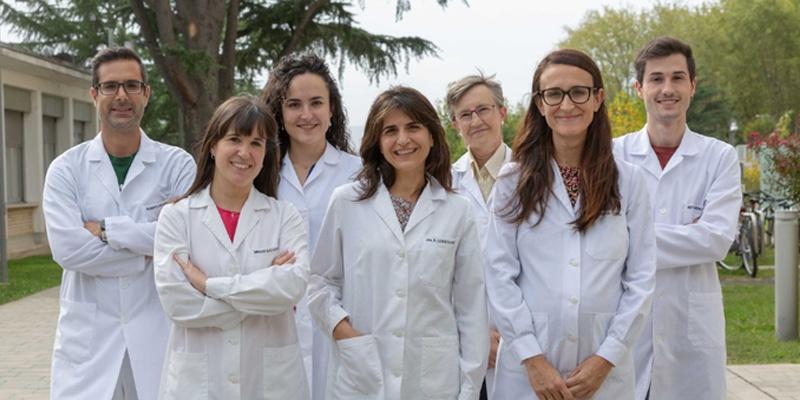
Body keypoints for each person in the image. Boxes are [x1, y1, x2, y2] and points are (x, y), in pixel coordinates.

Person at [485, 49, 656, 400]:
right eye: (554, 94)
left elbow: (641, 279)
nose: (567, 105)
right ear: (540, 104)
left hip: (604, 372)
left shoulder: (630, 182)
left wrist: (606, 358)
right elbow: (497, 274)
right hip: (528, 373)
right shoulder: (512, 182)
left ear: (597, 98)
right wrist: (532, 359)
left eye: (578, 92)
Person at [308, 86, 489, 400]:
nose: (403, 140)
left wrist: (470, 390)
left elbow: (471, 310)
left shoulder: (458, 210)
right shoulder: (347, 201)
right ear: (377, 142)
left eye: (413, 127)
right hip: (362, 374)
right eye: (390, 130)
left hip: (433, 381)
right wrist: (343, 330)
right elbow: (319, 280)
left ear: (432, 136)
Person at [42, 47, 195, 400]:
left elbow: (187, 241)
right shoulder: (66, 170)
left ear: (147, 93)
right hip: (91, 341)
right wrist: (150, 250)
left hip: (157, 332)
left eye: (131, 85)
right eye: (110, 86)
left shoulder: (178, 166)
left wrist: (107, 231)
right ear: (94, 94)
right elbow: (68, 250)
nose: (121, 96)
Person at [153, 96, 310, 399]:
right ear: (213, 146)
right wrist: (261, 293)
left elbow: (291, 287)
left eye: (256, 143)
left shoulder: (284, 216)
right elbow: (177, 304)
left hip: (269, 380)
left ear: (266, 154)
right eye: (234, 139)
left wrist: (206, 284)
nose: (244, 152)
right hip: (198, 381)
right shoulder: (176, 216)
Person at [614, 37, 741, 400]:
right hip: (625, 332)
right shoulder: (612, 157)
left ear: (692, 86)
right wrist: (688, 236)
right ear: (639, 88)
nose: (667, 89)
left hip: (692, 334)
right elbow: (599, 236)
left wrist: (629, 236)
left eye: (677, 78)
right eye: (656, 79)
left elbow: (715, 240)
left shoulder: (719, 158)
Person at [260, 53, 361, 399]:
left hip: (342, 321)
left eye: (316, 103)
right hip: (274, 323)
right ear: (280, 113)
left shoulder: (360, 175)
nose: (306, 115)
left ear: (332, 109)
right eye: (294, 105)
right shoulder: (259, 176)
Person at [446, 73, 512, 399]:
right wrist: (475, 336)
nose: (476, 121)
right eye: (465, 115)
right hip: (461, 343)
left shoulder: (534, 176)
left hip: (521, 342)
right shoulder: (442, 183)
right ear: (455, 124)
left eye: (483, 110)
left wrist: (514, 335)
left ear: (502, 112)